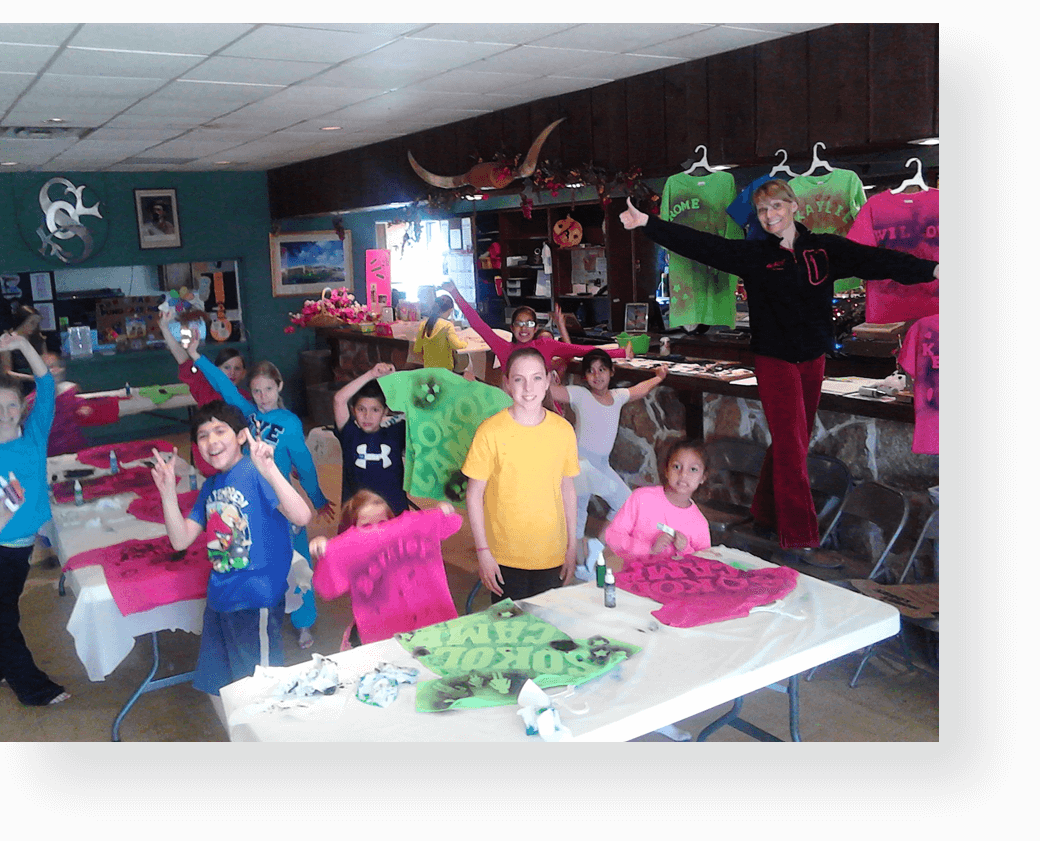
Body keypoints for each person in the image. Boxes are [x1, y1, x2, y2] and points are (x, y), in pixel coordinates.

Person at [620, 183, 940, 549]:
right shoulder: (756, 254)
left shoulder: (825, 248)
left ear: (794, 206)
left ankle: (765, 512)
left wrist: (933, 269)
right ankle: (800, 538)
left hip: (813, 358)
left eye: (776, 206)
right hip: (775, 359)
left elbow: (879, 260)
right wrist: (647, 222)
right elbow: (703, 245)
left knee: (794, 443)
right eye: (762, 211)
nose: (770, 215)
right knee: (790, 446)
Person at [149, 402, 312, 695]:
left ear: (240, 436)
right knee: (228, 690)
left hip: (255, 599)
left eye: (219, 430)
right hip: (220, 600)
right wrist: (167, 494)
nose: (211, 440)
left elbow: (301, 516)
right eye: (202, 435)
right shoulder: (210, 486)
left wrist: (271, 469)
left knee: (264, 691)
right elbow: (180, 540)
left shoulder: (257, 472)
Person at [188, 348, 334, 649]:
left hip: (283, 498)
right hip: (252, 498)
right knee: (261, 556)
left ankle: (304, 621)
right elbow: (224, 385)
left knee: (298, 561)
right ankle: (268, 610)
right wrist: (196, 357)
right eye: (256, 390)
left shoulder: (290, 421)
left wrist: (317, 498)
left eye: (268, 389)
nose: (262, 396)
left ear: (279, 386)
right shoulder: (244, 412)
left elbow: (304, 463)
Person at [462, 346, 580, 602]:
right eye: (519, 379)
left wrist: (572, 546)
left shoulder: (563, 430)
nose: (529, 388)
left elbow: (568, 489)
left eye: (537, 378)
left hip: (552, 553)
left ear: (549, 381)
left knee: (547, 628)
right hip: (505, 555)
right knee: (509, 630)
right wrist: (483, 551)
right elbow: (474, 495)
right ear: (506, 384)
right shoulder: (490, 432)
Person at [548, 347, 671, 577]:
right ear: (585, 377)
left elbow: (639, 390)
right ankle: (574, 563)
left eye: (602, 370)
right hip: (580, 465)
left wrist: (657, 377)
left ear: (611, 371)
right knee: (579, 513)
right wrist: (541, 377)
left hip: (601, 465)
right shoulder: (580, 395)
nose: (597, 376)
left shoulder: (616, 397)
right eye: (591, 372)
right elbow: (553, 391)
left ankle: (596, 544)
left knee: (625, 502)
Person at [0, 330, 70, 706]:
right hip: (2, 548)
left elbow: (45, 383)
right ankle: (32, 687)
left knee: (5, 611)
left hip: (19, 548)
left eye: (11, 405)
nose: (6, 413)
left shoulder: (33, 436)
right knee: (4, 621)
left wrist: (22, 346)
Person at [310, 490, 459, 650]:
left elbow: (452, 524)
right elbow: (326, 588)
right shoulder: (347, 550)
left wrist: (444, 511)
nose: (377, 532)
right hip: (382, 632)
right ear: (349, 531)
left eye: (382, 523)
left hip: (428, 622)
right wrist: (325, 553)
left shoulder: (409, 530)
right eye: (366, 526)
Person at [439, 280, 632, 381]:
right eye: (519, 324)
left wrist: (621, 352)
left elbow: (582, 351)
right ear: (512, 328)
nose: (524, 328)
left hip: (545, 407)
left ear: (536, 327)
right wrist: (455, 293)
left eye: (529, 324)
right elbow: (478, 324)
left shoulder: (545, 344)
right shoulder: (503, 348)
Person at [157, 311, 250, 476]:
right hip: (210, 461)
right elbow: (183, 359)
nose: (232, 373)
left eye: (237, 368)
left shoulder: (247, 398)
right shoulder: (205, 388)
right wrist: (165, 328)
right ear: (216, 371)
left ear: (244, 373)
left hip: (238, 462)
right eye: (226, 368)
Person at [604, 438, 711, 565]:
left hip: (676, 583)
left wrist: (685, 549)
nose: (683, 474)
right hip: (635, 578)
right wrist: (649, 548)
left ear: (703, 477)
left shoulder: (699, 523)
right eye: (676, 466)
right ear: (666, 470)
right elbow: (613, 536)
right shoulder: (641, 498)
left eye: (693, 469)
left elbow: (704, 565)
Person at [331, 363, 409, 517]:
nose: (367, 416)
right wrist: (371, 374)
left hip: (394, 511)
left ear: (385, 411)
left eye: (375, 410)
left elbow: (416, 407)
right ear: (353, 410)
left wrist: (394, 380)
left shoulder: (397, 432)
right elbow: (339, 399)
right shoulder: (349, 434)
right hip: (357, 512)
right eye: (361, 409)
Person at [412, 294, 467, 371]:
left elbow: (417, 349)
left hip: (428, 369)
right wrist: (465, 342)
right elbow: (456, 345)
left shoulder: (423, 324)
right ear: (450, 310)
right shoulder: (447, 325)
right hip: (445, 370)